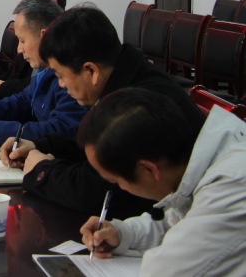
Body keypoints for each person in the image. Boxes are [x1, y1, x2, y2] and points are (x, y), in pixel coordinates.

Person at [0, 5, 205, 219]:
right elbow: (89, 144)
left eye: (61, 76)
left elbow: (94, 192)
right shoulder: (123, 75)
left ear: (91, 70)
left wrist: (42, 171)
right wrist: (39, 146)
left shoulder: (137, 103)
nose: (61, 85)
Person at [78, 88, 246, 276]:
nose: (121, 188)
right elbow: (178, 222)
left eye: (115, 181)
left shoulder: (233, 185)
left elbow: (167, 270)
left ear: (149, 169)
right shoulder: (198, 166)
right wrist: (123, 233)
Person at [0, 0, 87, 147]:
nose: (19, 49)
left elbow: (60, 131)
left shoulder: (71, 78)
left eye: (22, 41)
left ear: (44, 37)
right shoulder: (45, 71)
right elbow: (23, 102)